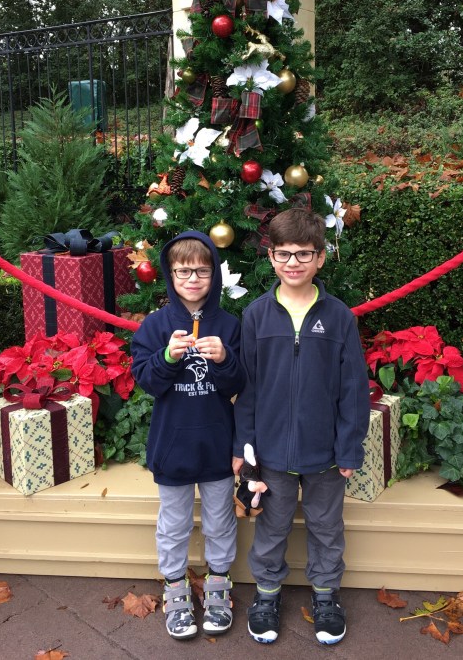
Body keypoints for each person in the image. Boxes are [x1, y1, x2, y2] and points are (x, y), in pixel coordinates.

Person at [232, 208, 370, 646]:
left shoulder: (339, 317)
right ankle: (266, 595)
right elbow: (246, 388)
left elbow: (353, 389)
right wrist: (243, 446)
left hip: (325, 453)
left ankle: (326, 597)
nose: (293, 262)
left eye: (304, 254)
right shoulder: (256, 315)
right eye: (284, 254)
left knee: (326, 527)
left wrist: (349, 448)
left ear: (320, 258)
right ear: (271, 257)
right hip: (270, 453)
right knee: (271, 527)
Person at [131, 231, 245, 641]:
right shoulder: (155, 326)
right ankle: (175, 588)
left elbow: (241, 382)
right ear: (170, 274)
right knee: (174, 524)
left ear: (214, 274)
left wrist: (224, 358)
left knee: (219, 521)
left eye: (202, 270)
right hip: (172, 446)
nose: (193, 279)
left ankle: (218, 584)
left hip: (217, 445)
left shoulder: (229, 326)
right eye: (183, 271)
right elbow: (147, 381)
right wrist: (167, 356)